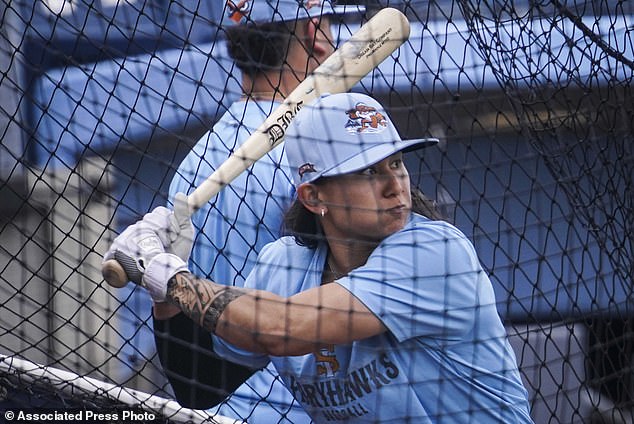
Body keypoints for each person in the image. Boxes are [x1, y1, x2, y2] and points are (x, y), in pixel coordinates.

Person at [105, 92, 534, 423]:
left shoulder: (434, 252)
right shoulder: (284, 265)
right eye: (368, 172)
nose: (395, 186)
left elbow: (281, 329)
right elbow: (203, 385)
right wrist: (164, 297)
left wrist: (169, 276)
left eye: (396, 164)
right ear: (313, 196)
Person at [153, 1, 364, 422]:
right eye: (325, 23)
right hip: (320, 398)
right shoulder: (327, 150)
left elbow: (185, 344)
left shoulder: (193, 166)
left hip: (221, 404)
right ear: (313, 34)